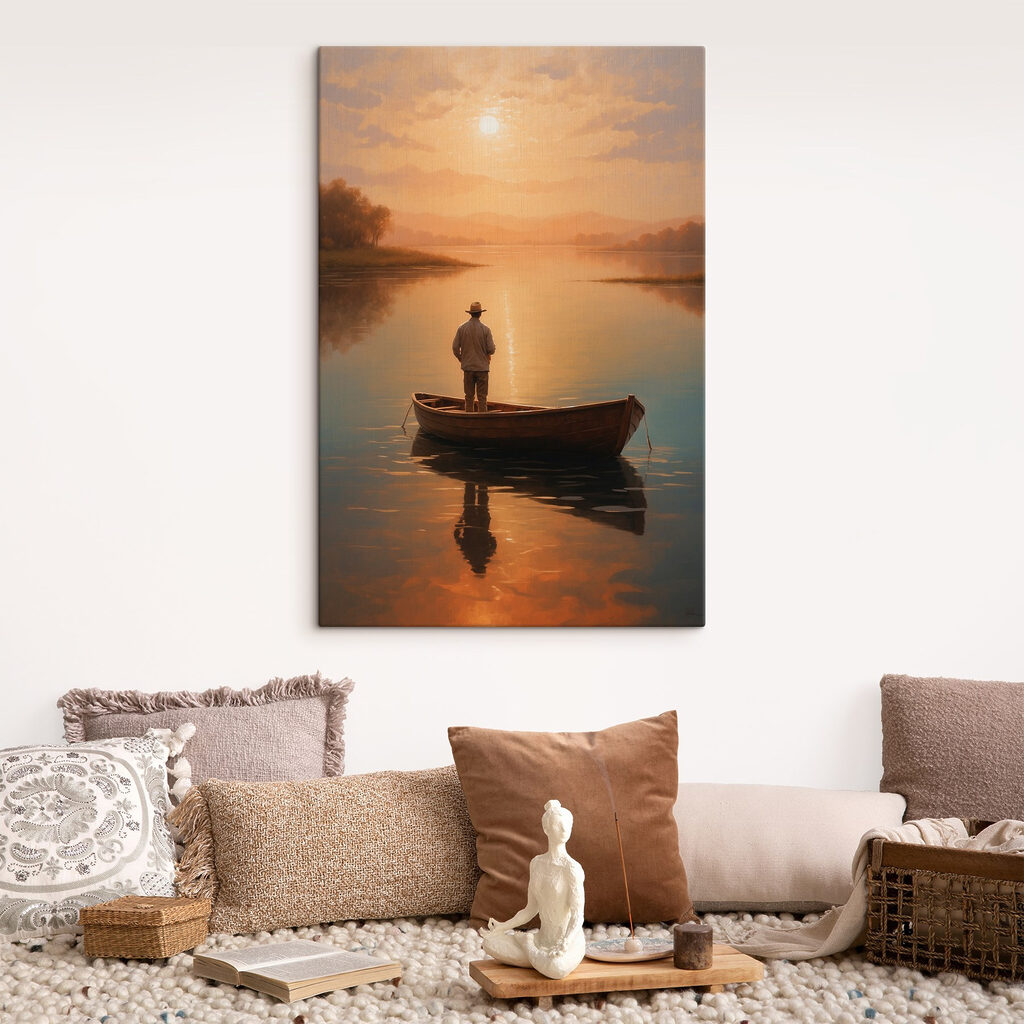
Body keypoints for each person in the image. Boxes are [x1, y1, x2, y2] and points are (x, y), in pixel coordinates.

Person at [481, 799, 586, 980]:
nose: (564, 829)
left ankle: (528, 947)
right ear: (546, 829)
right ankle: (537, 957)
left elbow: (578, 916)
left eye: (568, 824)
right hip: (542, 939)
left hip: (568, 941)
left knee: (557, 969)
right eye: (558, 825)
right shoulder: (537, 864)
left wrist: (565, 943)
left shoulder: (572, 868)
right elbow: (530, 909)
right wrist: (502, 927)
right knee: (490, 942)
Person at [452, 301, 495, 412]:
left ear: (470, 313)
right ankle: (483, 422)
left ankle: (469, 420)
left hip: (468, 368)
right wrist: (487, 354)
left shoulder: (462, 328)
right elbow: (491, 349)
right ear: (480, 314)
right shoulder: (486, 329)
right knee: (482, 398)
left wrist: (461, 358)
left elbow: (455, 348)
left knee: (469, 397)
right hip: (482, 369)